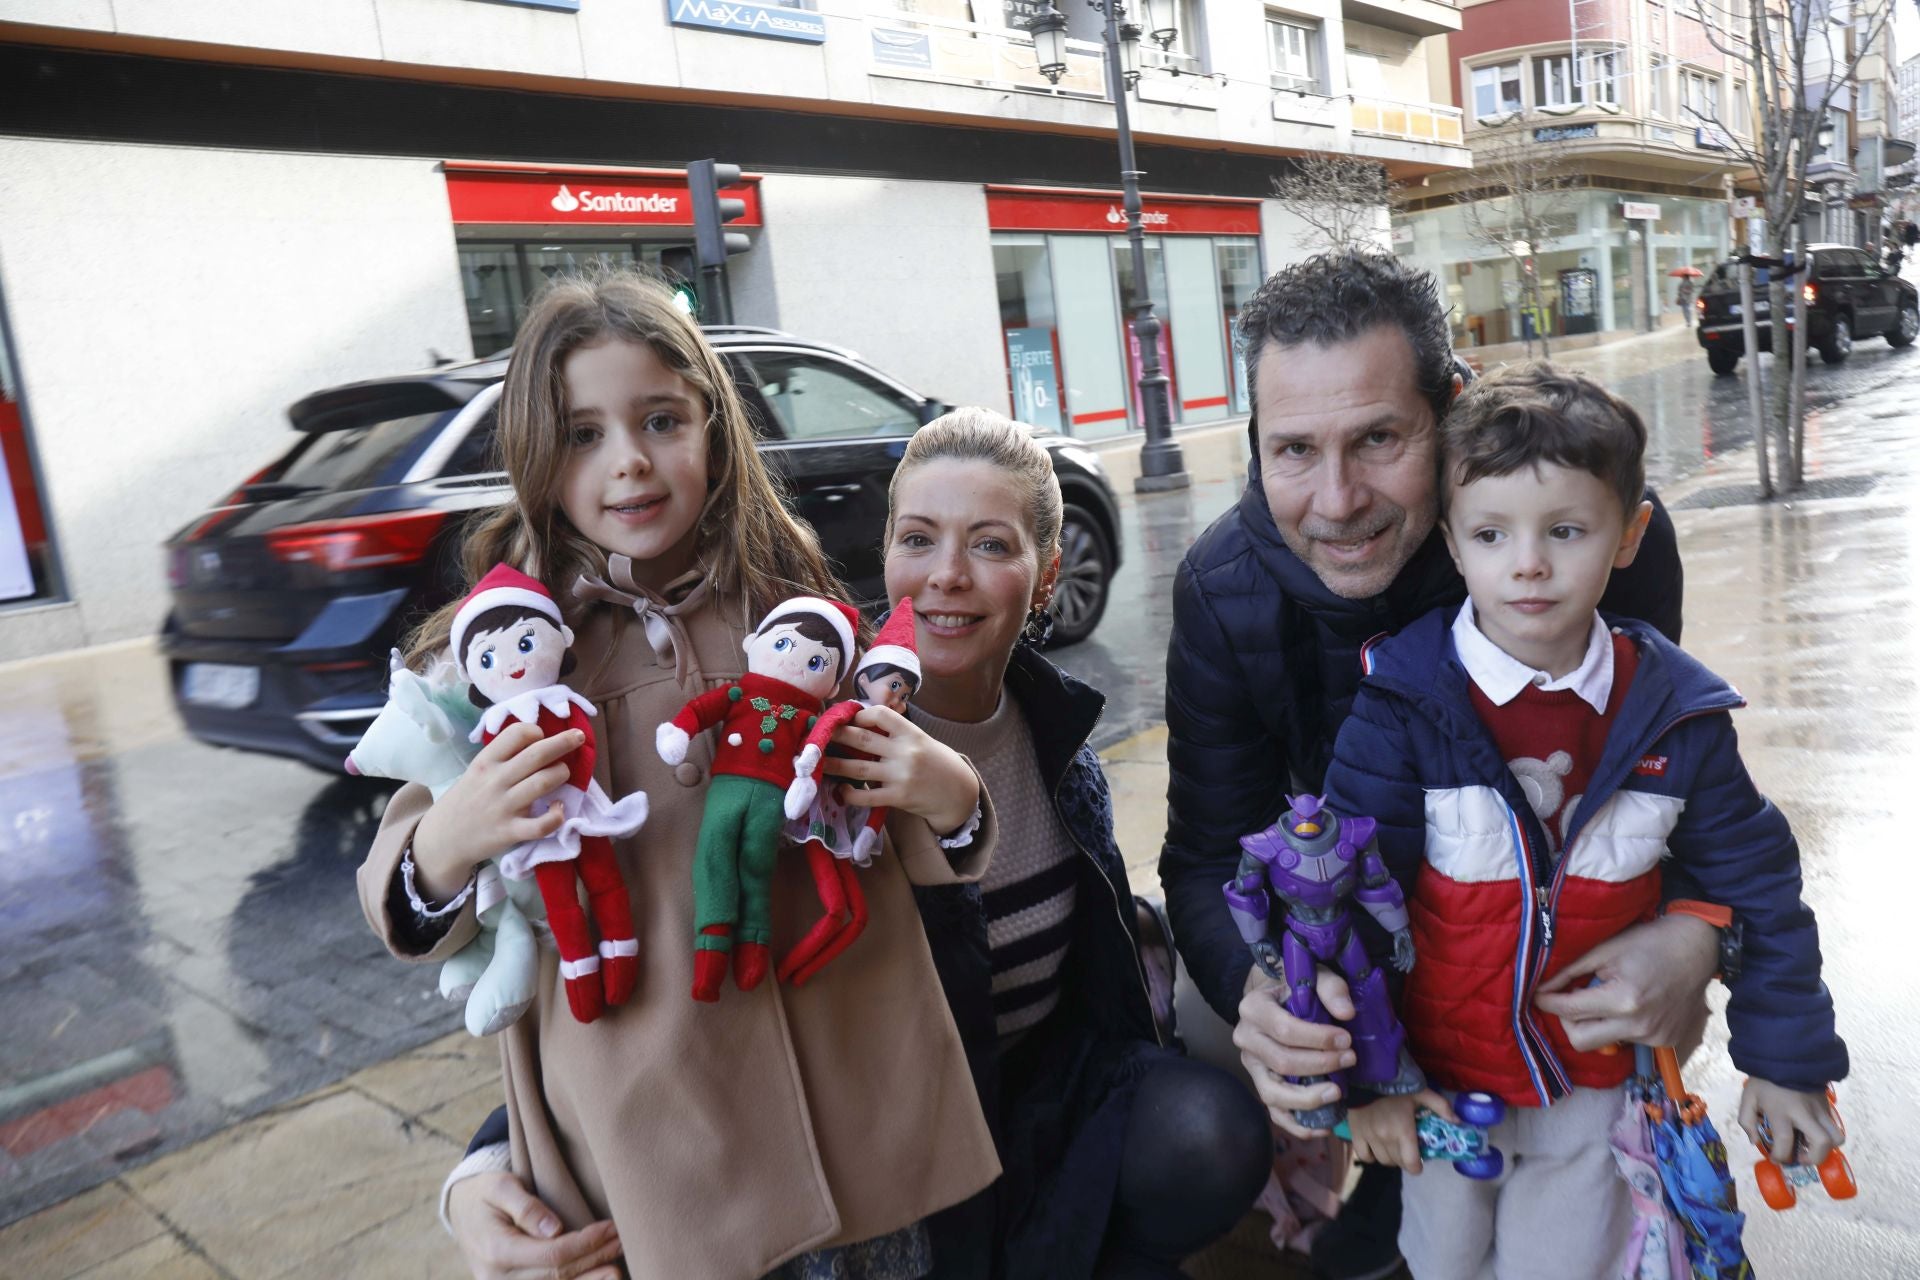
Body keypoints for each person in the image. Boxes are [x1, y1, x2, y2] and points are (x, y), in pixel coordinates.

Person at [445, 406, 1272, 1279]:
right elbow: (674, 950)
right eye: (918, 538)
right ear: (884, 555)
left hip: (1043, 1105)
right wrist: (488, 1162)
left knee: (1207, 1134)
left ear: (1046, 576)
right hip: (894, 1145)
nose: (946, 575)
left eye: (990, 545)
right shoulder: (809, 734)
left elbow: (1097, 966)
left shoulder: (1055, 733)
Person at [360, 270, 1002, 1280]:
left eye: (661, 418)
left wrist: (948, 794)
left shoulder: (791, 613)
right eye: (582, 433)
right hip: (662, 1156)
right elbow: (403, 878)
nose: (630, 462)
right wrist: (446, 841)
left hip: (856, 1115)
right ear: (536, 452)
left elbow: (894, 828)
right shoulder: (501, 650)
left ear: (712, 428)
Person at [1157, 250, 1719, 1280]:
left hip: (1528, 940)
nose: (1336, 499)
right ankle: (1358, 1174)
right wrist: (1259, 995)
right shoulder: (1221, 589)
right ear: (1255, 444)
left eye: (1378, 437)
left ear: (1450, 411)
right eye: (1294, 450)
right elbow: (1200, 852)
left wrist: (1691, 940)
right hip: (1349, 932)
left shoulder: (1582, 542)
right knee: (1207, 1044)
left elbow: (1667, 795)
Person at [1327, 362, 1848, 1278]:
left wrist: (1789, 1060)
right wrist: (1370, 1084)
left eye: (1565, 530)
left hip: (1591, 1085)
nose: (1527, 562)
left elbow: (1757, 880)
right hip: (1439, 1083)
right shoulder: (1403, 705)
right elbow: (1345, 904)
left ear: (1629, 534)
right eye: (1492, 533)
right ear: (1452, 543)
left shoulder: (1674, 716)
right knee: (1440, 1261)